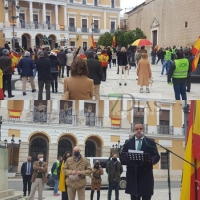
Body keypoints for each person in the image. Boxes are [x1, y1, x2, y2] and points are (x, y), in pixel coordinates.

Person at [122, 123, 160, 200]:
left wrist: (151, 160)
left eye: (141, 129)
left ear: (143, 130)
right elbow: (123, 155)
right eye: (137, 129)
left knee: (146, 197)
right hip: (133, 175)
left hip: (146, 175)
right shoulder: (128, 142)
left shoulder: (150, 141)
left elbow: (156, 155)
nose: (139, 131)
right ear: (133, 131)